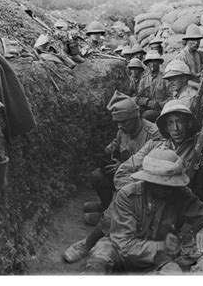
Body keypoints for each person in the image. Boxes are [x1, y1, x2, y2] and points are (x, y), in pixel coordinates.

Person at [84, 148, 203, 274]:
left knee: (173, 273)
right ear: (148, 181)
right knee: (99, 259)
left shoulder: (179, 193)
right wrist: (164, 246)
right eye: (162, 184)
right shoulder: (127, 195)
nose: (168, 189)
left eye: (171, 184)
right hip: (119, 252)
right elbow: (124, 245)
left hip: (157, 260)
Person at [63, 91, 159, 263]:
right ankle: (106, 208)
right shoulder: (122, 130)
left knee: (122, 201)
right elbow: (119, 145)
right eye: (117, 122)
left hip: (144, 184)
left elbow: (155, 167)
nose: (119, 126)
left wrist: (123, 169)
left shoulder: (153, 134)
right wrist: (112, 153)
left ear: (135, 116)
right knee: (97, 176)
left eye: (123, 122)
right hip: (123, 177)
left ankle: (89, 242)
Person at [114, 100, 203, 199]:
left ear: (189, 123)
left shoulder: (199, 149)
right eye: (170, 123)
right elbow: (122, 172)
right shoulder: (154, 145)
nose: (175, 128)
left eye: (179, 121)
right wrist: (143, 190)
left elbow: (199, 191)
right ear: (165, 127)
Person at [136, 51, 171, 122]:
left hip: (161, 110)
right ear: (147, 64)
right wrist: (148, 102)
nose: (152, 64)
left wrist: (159, 104)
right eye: (150, 62)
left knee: (147, 115)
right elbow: (139, 98)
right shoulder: (144, 79)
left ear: (159, 63)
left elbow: (171, 97)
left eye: (155, 62)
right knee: (136, 112)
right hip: (147, 107)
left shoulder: (165, 78)